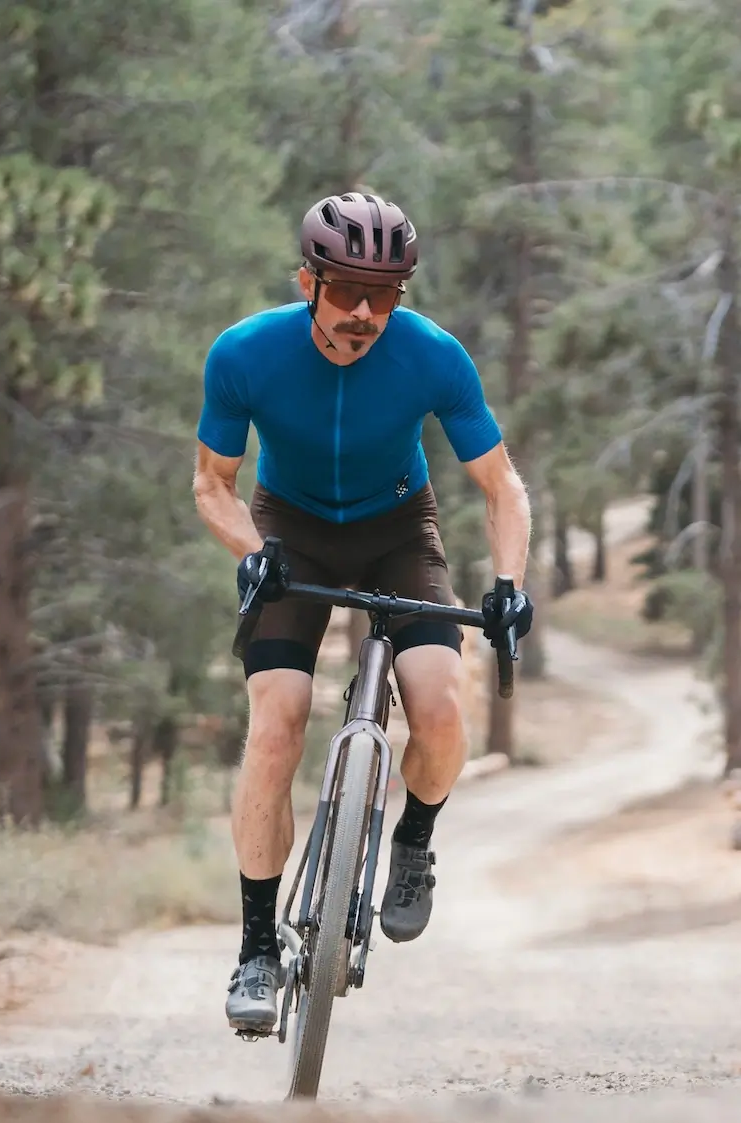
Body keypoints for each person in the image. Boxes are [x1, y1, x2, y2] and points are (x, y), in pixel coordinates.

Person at [193, 191, 534, 1035]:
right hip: (289, 530)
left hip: (397, 528)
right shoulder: (244, 353)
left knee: (442, 704)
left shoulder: (434, 355)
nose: (363, 313)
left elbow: (503, 486)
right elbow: (213, 485)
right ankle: (256, 947)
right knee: (277, 717)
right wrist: (251, 551)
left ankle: (412, 839)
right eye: (345, 289)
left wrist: (510, 583)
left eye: (384, 294)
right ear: (306, 280)